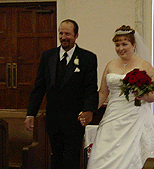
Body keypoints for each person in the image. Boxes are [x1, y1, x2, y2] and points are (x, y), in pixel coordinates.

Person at [87, 25, 154, 169]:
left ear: (133, 45)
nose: (120, 48)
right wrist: (90, 110)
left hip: (135, 116)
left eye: (124, 44)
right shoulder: (111, 65)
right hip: (113, 116)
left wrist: (143, 95)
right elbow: (103, 93)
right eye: (117, 45)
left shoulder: (144, 65)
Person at [24, 19, 98, 169]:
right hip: (53, 118)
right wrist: (30, 113)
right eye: (61, 33)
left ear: (76, 35)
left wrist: (89, 110)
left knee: (71, 158)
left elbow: (91, 88)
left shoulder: (87, 58)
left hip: (75, 119)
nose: (64, 37)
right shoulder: (48, 56)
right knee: (56, 157)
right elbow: (39, 87)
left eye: (68, 34)